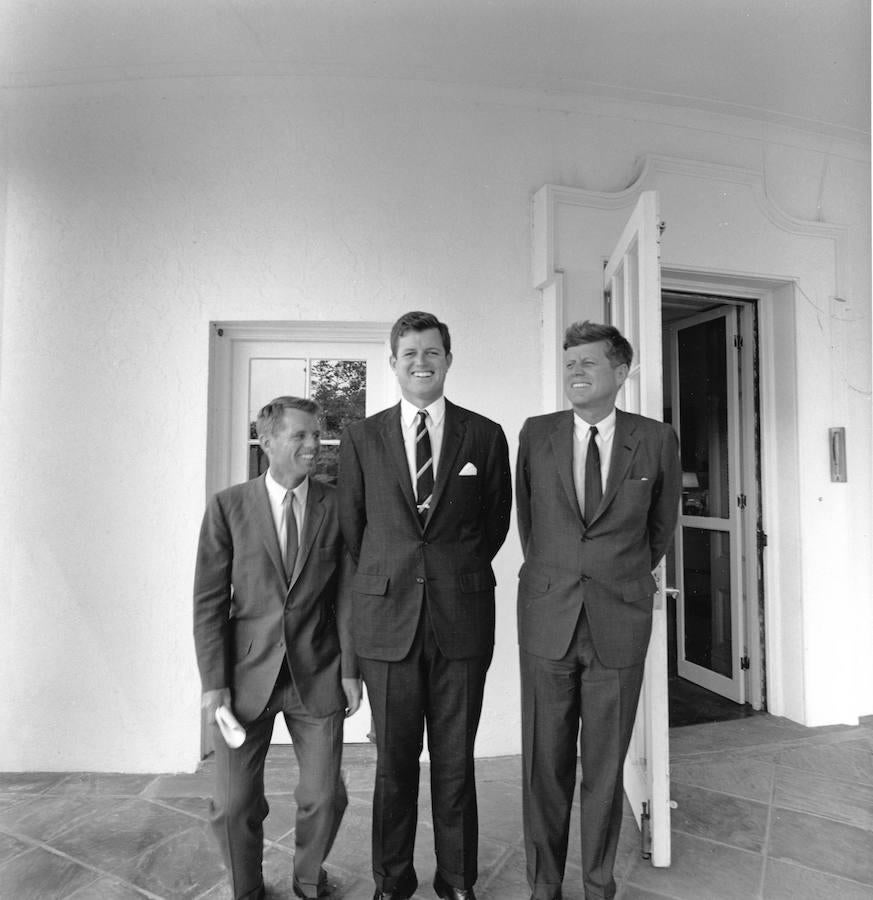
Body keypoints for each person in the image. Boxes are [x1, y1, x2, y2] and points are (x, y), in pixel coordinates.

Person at [338, 311, 512, 900]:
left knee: (456, 761)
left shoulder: (485, 436)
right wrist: (398, 577)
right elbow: (353, 531)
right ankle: (393, 880)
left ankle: (458, 880)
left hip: (461, 622)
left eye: (431, 351)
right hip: (387, 626)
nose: (421, 361)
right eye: (409, 352)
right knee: (393, 766)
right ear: (393, 362)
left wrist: (446, 574)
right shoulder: (363, 437)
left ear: (448, 359)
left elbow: (493, 526)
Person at [515, 321, 681, 900]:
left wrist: (617, 576)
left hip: (618, 619)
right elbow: (530, 525)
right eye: (569, 364)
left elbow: (659, 529)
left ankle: (598, 883)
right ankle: (543, 885)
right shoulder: (535, 434)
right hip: (547, 619)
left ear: (621, 371)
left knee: (606, 768)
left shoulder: (655, 439)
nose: (575, 372)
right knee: (544, 763)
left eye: (588, 362)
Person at [193, 396, 362, 900]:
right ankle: (247, 889)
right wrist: (214, 684)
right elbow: (207, 602)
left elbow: (348, 595)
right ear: (267, 442)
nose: (314, 444)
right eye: (302, 435)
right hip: (246, 677)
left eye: (317, 434)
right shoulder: (228, 506)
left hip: (319, 670)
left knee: (325, 796)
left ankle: (309, 880)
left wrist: (352, 670)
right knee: (233, 803)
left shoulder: (337, 504)